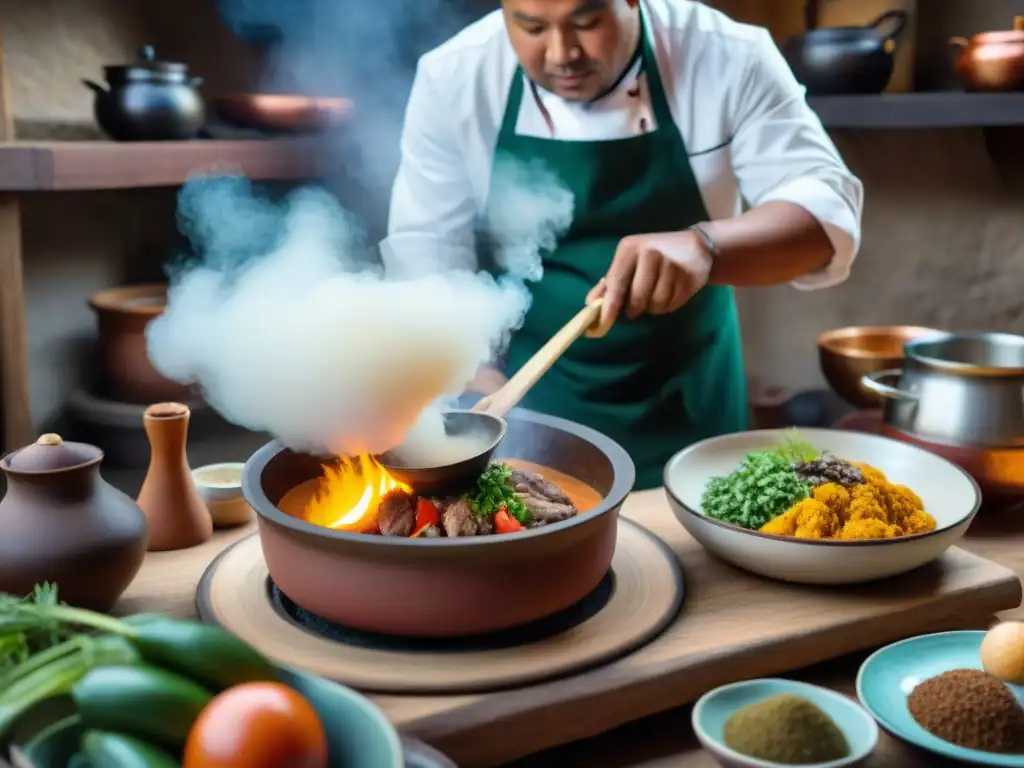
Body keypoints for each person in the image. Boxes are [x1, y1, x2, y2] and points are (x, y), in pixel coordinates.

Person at [385, 0, 864, 490]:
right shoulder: (455, 76)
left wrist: (706, 247)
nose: (561, 53)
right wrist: (471, 374)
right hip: (536, 407)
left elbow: (826, 217)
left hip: (691, 399)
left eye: (587, 22)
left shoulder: (727, 54)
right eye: (530, 26)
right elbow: (426, 250)